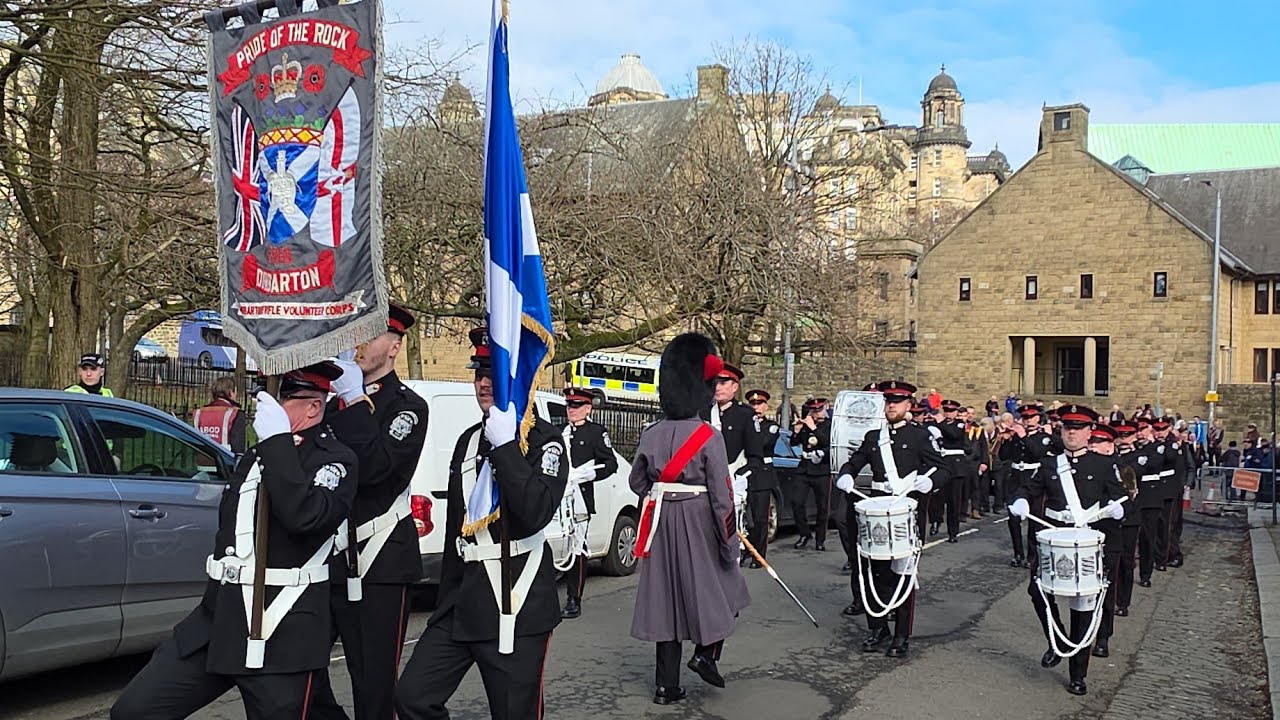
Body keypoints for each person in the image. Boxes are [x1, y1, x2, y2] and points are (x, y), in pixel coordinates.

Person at [111, 362, 358, 720]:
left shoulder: (335, 460)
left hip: (282, 627)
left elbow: (304, 516)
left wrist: (277, 444)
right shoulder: (257, 457)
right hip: (220, 619)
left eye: (283, 396)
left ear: (314, 407)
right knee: (135, 711)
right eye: (264, 391)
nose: (267, 403)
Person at [394, 327, 567, 720]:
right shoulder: (468, 441)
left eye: (493, 373)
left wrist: (507, 448)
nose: (483, 382)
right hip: (462, 602)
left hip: (515, 605)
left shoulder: (544, 441)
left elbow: (536, 510)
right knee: (412, 697)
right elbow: (460, 529)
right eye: (478, 373)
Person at [309, 304, 430, 720]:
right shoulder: (331, 404)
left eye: (372, 335)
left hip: (379, 562)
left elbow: (378, 469)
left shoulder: (407, 407)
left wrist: (356, 401)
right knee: (300, 672)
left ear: (395, 346)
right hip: (325, 559)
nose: (359, 343)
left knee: (373, 684)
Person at [630, 333, 750, 705]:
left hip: (663, 522)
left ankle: (666, 687)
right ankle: (706, 653)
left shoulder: (651, 433)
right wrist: (729, 542)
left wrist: (664, 493)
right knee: (726, 587)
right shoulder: (708, 436)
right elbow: (721, 498)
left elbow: (637, 482)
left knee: (667, 602)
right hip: (699, 521)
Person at [1008, 404, 1126, 696]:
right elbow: (1030, 489)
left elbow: (1121, 498)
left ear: (1089, 433)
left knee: (1081, 607)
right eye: (1067, 428)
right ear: (1061, 431)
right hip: (1054, 539)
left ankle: (1078, 674)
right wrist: (1020, 500)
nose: (1072, 432)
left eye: (1078, 428)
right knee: (1038, 592)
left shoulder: (1102, 465)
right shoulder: (1050, 464)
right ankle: (1056, 640)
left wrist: (1119, 510)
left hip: (1087, 539)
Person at [834, 380, 949, 659]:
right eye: (888, 402)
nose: (891, 406)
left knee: (902, 574)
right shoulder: (874, 436)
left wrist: (928, 482)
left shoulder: (920, 436)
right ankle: (877, 627)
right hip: (875, 508)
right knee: (873, 570)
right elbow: (855, 461)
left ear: (909, 406)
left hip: (905, 511)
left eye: (897, 402)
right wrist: (846, 473)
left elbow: (944, 467)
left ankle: (901, 635)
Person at [559, 386, 618, 618]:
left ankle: (574, 598)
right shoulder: (560, 432)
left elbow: (610, 463)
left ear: (587, 408)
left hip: (580, 497)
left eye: (576, 406)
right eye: (569, 405)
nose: (571, 410)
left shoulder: (595, 432)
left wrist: (590, 474)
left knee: (577, 548)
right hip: (559, 496)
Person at [1006, 405, 1058, 568]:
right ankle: (1018, 554)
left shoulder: (1043, 437)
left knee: (1034, 519)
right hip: (1016, 478)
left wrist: (1023, 437)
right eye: (1025, 417)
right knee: (1013, 518)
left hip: (1034, 478)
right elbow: (1004, 455)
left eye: (1031, 417)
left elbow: (1038, 453)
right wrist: (1006, 440)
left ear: (1038, 419)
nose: (1028, 420)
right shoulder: (1017, 436)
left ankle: (1032, 556)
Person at [1109, 423, 1142, 620]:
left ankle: (1123, 601)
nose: (1123, 438)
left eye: (1127, 435)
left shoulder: (1137, 457)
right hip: (1109, 518)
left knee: (1127, 561)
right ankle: (1110, 599)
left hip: (1130, 515)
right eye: (1120, 435)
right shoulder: (1109, 459)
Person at [790, 398, 832, 551]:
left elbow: (827, 442)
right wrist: (796, 431)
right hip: (804, 467)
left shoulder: (829, 425)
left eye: (819, 410)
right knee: (796, 501)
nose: (816, 413)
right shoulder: (806, 425)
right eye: (813, 411)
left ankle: (820, 539)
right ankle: (804, 533)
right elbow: (794, 443)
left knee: (822, 507)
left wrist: (814, 428)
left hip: (821, 469)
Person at [743, 389, 779, 567]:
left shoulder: (770, 426)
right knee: (744, 518)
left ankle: (759, 555)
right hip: (746, 474)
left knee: (760, 518)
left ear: (766, 406)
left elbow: (762, 443)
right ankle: (745, 550)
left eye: (759, 404)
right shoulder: (744, 424)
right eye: (753, 404)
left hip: (763, 476)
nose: (756, 407)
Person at [1133, 418, 1168, 586]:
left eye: (1143, 429)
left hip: (1149, 497)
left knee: (1147, 537)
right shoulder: (1130, 450)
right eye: (1137, 430)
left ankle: (1145, 574)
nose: (1140, 433)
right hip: (1131, 498)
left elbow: (1153, 463)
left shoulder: (1155, 449)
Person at [933, 399, 967, 542]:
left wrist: (940, 424)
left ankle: (953, 532)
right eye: (946, 410)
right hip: (942, 463)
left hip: (955, 466)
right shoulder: (938, 424)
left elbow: (954, 435)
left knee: (954, 501)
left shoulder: (959, 424)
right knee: (937, 498)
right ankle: (936, 521)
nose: (948, 413)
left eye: (951, 411)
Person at [193, 376, 248, 455]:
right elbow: (238, 447)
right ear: (230, 392)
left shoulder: (199, 412)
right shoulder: (235, 413)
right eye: (235, 391)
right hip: (225, 462)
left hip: (202, 460)